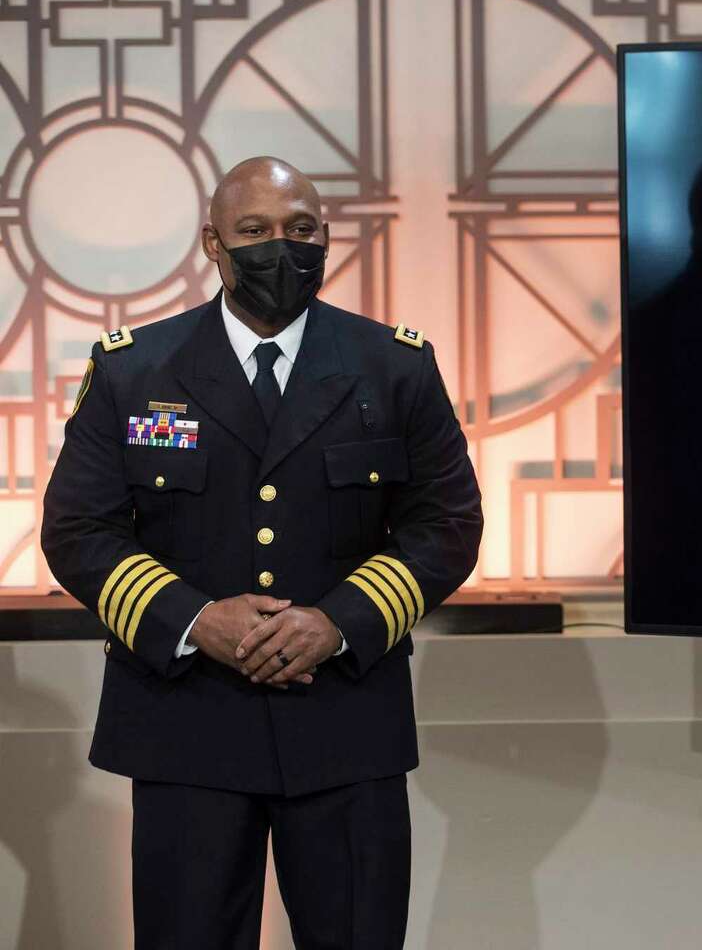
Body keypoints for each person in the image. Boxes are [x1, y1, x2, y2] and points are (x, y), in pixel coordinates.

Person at [40, 156, 483, 949]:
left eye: (301, 230)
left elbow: (445, 525)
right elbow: (79, 531)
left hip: (345, 722)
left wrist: (338, 621)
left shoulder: (395, 365)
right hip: (186, 725)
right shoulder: (134, 369)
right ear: (212, 242)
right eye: (254, 232)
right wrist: (195, 618)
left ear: (326, 236)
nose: (282, 248)